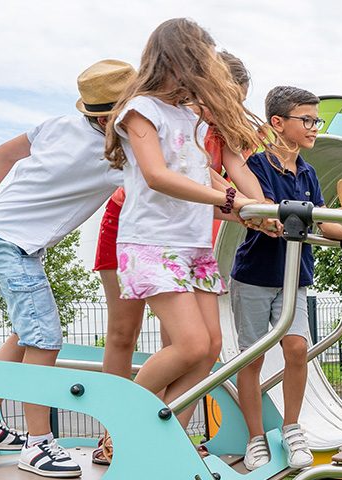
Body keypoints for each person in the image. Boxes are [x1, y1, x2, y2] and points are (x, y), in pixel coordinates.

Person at [0, 59, 136, 478]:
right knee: (45, 338)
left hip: (4, 231)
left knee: (25, 332)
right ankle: (38, 444)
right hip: (11, 239)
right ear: (110, 115)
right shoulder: (119, 151)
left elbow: (2, 153)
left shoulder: (58, 125)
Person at [103, 17, 263, 456]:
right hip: (152, 243)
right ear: (179, 60)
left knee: (209, 350)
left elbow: (207, 179)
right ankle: (117, 426)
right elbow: (157, 176)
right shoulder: (140, 110)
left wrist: (252, 210)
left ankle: (161, 438)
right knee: (189, 343)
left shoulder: (191, 117)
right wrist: (234, 201)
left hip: (193, 247)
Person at [231, 86, 342, 471]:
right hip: (254, 275)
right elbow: (255, 212)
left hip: (293, 277)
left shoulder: (309, 173)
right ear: (278, 124)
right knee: (252, 358)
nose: (315, 126)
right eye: (308, 120)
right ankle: (255, 438)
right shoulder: (256, 166)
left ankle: (292, 428)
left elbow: (325, 223)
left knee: (297, 349)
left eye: (317, 120)